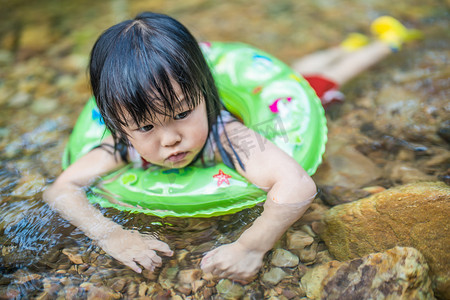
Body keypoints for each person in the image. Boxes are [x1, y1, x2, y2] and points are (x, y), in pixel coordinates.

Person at [43, 11, 317, 281]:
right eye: (146, 127)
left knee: (323, 80)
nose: (170, 139)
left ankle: (359, 53)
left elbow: (297, 185)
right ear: (119, 126)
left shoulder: (228, 136)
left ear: (204, 91)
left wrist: (250, 247)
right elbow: (60, 190)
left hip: (296, 100)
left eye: (182, 114)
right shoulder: (122, 144)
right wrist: (111, 235)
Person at [292, 16, 422, 108]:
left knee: (298, 68)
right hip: (297, 103)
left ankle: (347, 49)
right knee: (336, 73)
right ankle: (389, 43)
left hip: (280, 94)